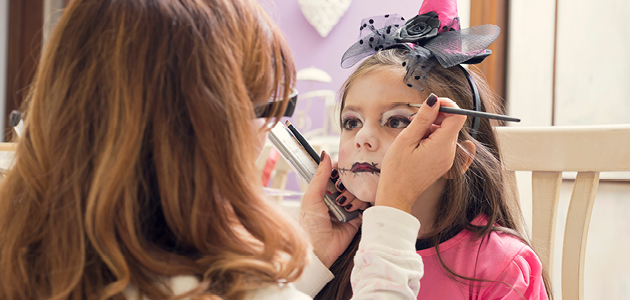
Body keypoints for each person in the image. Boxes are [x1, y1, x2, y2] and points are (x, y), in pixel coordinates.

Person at [0, 0, 467, 299]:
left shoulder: (33, 258)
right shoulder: (222, 283)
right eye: (268, 109)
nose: (267, 132)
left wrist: (311, 262)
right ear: (207, 131)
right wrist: (393, 216)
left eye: (398, 122)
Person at [298, 1, 554, 299]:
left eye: (395, 121)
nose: (363, 138)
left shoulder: (501, 267)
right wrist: (314, 262)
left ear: (458, 158)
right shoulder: (339, 250)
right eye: (351, 122)